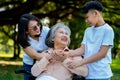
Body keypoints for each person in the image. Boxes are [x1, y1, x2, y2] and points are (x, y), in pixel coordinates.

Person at [66, 1, 114, 80]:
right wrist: (68, 53)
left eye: (87, 17)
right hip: (88, 74)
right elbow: (82, 50)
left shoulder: (108, 30)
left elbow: (102, 54)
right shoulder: (88, 31)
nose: (86, 20)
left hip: (101, 75)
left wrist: (80, 62)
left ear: (95, 13)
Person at [17, 14, 49, 80]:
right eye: (34, 27)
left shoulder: (46, 31)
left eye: (38, 24)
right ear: (26, 31)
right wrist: (51, 55)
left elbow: (57, 44)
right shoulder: (22, 39)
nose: (38, 28)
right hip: (30, 64)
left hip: (47, 62)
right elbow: (35, 56)